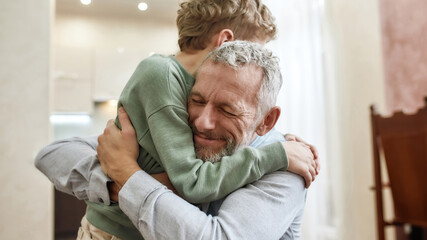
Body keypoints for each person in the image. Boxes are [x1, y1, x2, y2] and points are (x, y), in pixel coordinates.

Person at [36, 0, 318, 238]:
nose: (202, 122)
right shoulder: (167, 89)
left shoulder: (287, 163)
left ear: (266, 121)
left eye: (227, 109)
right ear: (225, 42)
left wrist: (126, 174)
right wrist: (115, 182)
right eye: (197, 101)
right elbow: (54, 153)